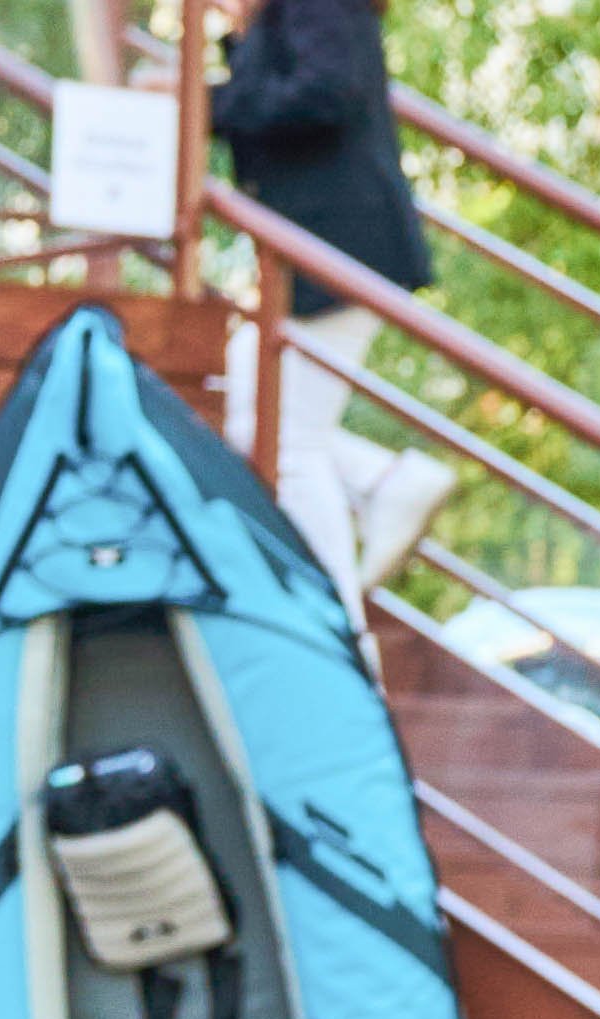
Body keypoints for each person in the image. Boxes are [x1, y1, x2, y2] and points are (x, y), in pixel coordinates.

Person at [212, 0, 453, 621]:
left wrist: (205, 105)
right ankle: (381, 481)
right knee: (252, 410)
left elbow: (323, 92)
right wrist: (244, 32)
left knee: (285, 442)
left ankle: (338, 623)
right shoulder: (285, 15)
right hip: (317, 252)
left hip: (342, 247)